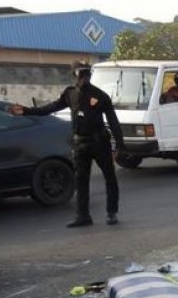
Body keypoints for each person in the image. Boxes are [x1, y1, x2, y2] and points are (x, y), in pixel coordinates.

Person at [9, 62, 124, 227]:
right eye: (80, 75)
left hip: (100, 143)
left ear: (90, 76)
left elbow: (113, 121)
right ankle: (83, 216)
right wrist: (27, 111)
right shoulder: (70, 94)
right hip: (80, 144)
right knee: (81, 181)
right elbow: (50, 108)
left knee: (110, 178)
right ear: (74, 76)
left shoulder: (101, 96)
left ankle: (111, 213)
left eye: (86, 74)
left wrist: (119, 145)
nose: (83, 78)